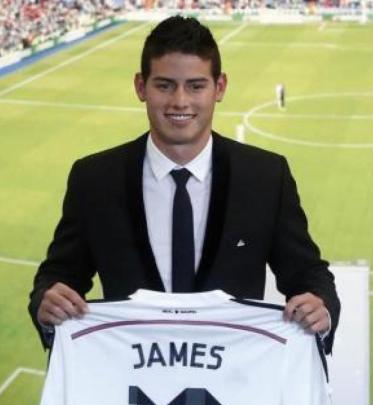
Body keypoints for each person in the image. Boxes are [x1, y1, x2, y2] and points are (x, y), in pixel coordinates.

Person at [30, 16, 340, 354]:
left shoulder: (265, 176)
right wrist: (48, 304)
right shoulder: (95, 179)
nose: (180, 101)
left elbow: (308, 273)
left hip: (235, 384)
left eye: (196, 85)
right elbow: (59, 275)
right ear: (140, 86)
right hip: (128, 385)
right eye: (164, 85)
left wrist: (320, 304)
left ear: (219, 88)